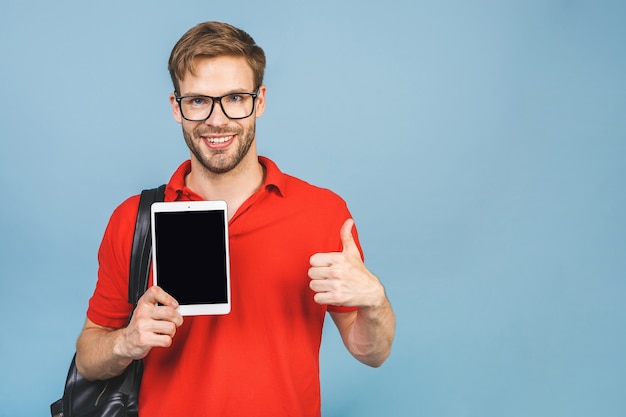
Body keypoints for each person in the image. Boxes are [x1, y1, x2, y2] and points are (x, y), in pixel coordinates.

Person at [75, 21, 395, 417]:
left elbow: (371, 353)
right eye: (198, 101)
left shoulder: (322, 213)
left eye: (235, 98)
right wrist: (125, 342)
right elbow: (89, 355)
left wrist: (374, 302)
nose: (217, 119)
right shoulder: (133, 220)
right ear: (177, 107)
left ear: (259, 101)